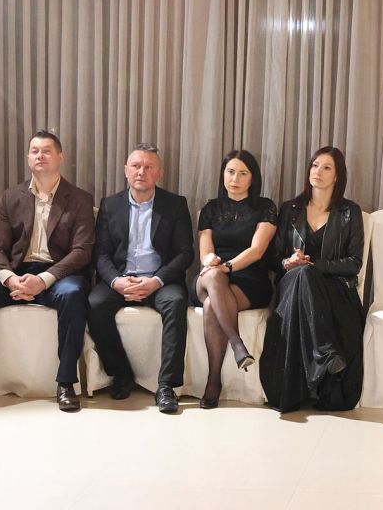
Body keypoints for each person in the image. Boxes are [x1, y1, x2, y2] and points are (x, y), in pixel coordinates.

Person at [0, 131, 94, 412]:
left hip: (58, 275)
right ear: (28, 158)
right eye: (34, 151)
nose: (40, 156)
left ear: (60, 157)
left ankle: (65, 383)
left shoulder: (79, 198)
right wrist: (10, 278)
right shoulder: (12, 196)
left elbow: (82, 251)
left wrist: (43, 280)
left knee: (73, 295)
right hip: (17, 273)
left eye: (47, 150)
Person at [87, 144, 193, 413]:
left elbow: (185, 253)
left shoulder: (175, 205)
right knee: (95, 304)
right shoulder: (110, 205)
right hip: (121, 278)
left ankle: (166, 385)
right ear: (126, 170)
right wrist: (116, 282)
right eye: (136, 166)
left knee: (176, 303)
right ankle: (120, 374)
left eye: (148, 167)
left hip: (160, 281)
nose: (141, 172)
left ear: (159, 173)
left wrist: (155, 281)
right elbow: (100, 254)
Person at [260, 146, 365, 413]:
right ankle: (325, 353)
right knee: (302, 274)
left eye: (326, 167)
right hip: (292, 286)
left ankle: (319, 361)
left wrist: (314, 265)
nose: (317, 171)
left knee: (306, 272)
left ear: (337, 176)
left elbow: (354, 263)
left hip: (335, 290)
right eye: (315, 165)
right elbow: (274, 259)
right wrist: (288, 262)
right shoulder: (290, 209)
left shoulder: (350, 212)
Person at [193, 150, 277, 408]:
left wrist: (227, 267)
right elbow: (205, 251)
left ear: (253, 178)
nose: (235, 179)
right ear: (223, 174)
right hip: (210, 277)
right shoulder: (211, 208)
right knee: (212, 276)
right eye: (230, 172)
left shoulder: (265, 207)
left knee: (211, 305)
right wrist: (211, 261)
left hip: (250, 280)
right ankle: (237, 343)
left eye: (242, 173)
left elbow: (257, 251)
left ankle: (213, 381)